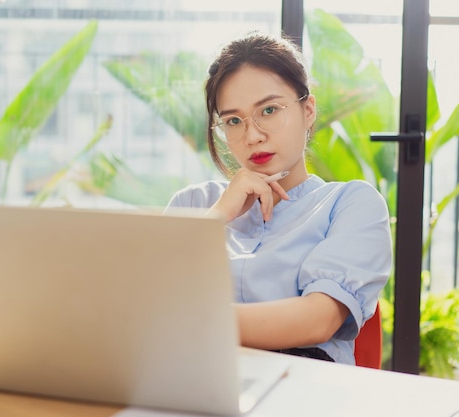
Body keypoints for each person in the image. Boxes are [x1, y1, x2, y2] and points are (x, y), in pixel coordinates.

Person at [165, 31, 392, 365]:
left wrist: (185, 322)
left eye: (269, 110)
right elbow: (146, 297)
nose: (253, 135)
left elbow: (317, 320)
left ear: (308, 109)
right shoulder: (195, 205)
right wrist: (218, 216)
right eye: (233, 120)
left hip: (305, 388)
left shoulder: (351, 204)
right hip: (196, 381)